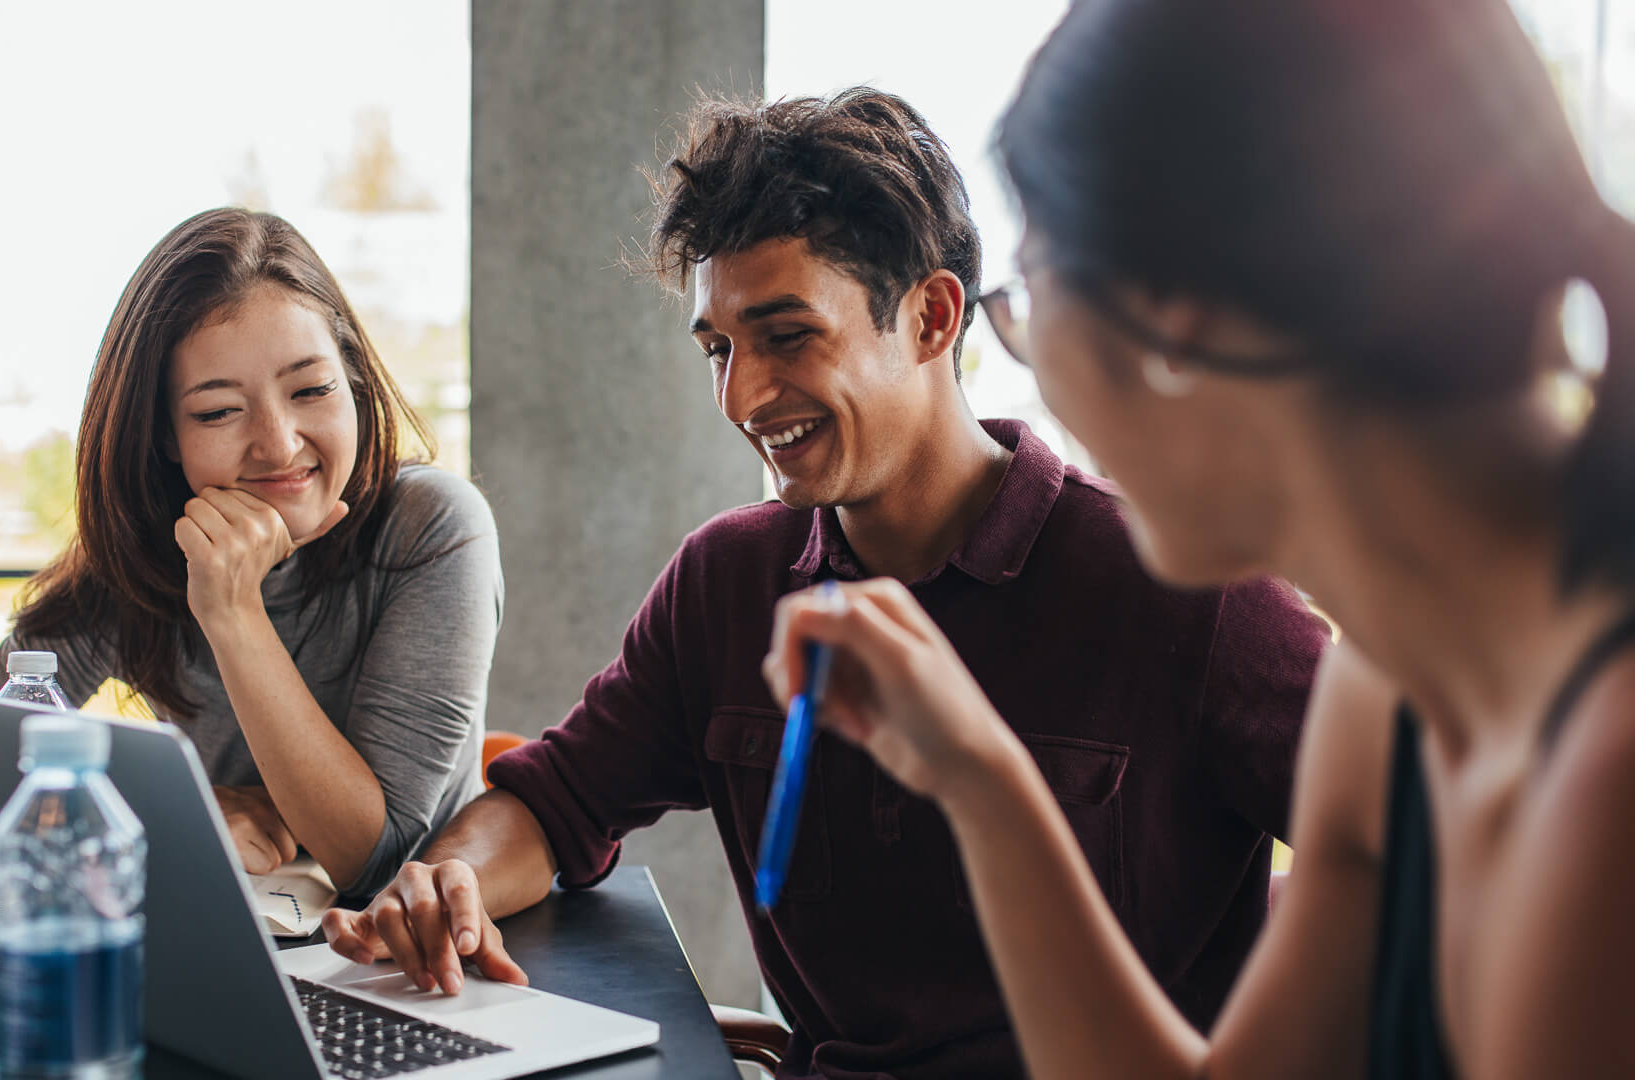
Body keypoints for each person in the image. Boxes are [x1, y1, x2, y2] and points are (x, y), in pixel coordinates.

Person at [324, 89, 1330, 1078]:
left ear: (933, 317)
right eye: (719, 349)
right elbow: (559, 803)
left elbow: (1423, 880)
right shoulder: (727, 582)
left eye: (787, 335)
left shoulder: (1189, 595)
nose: (743, 396)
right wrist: (448, 877)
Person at [765, 2, 1635, 1077]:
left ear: (1183, 325)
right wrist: (980, 779)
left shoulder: (1606, 775)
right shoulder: (1385, 691)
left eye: (1029, 296)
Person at [0, 208, 502, 901]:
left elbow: (373, 858)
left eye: (311, 390)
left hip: (408, 964)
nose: (279, 443)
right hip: (221, 944)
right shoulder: (146, 556)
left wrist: (232, 611)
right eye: (218, 411)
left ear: (351, 380)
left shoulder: (432, 528)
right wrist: (172, 810)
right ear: (165, 436)